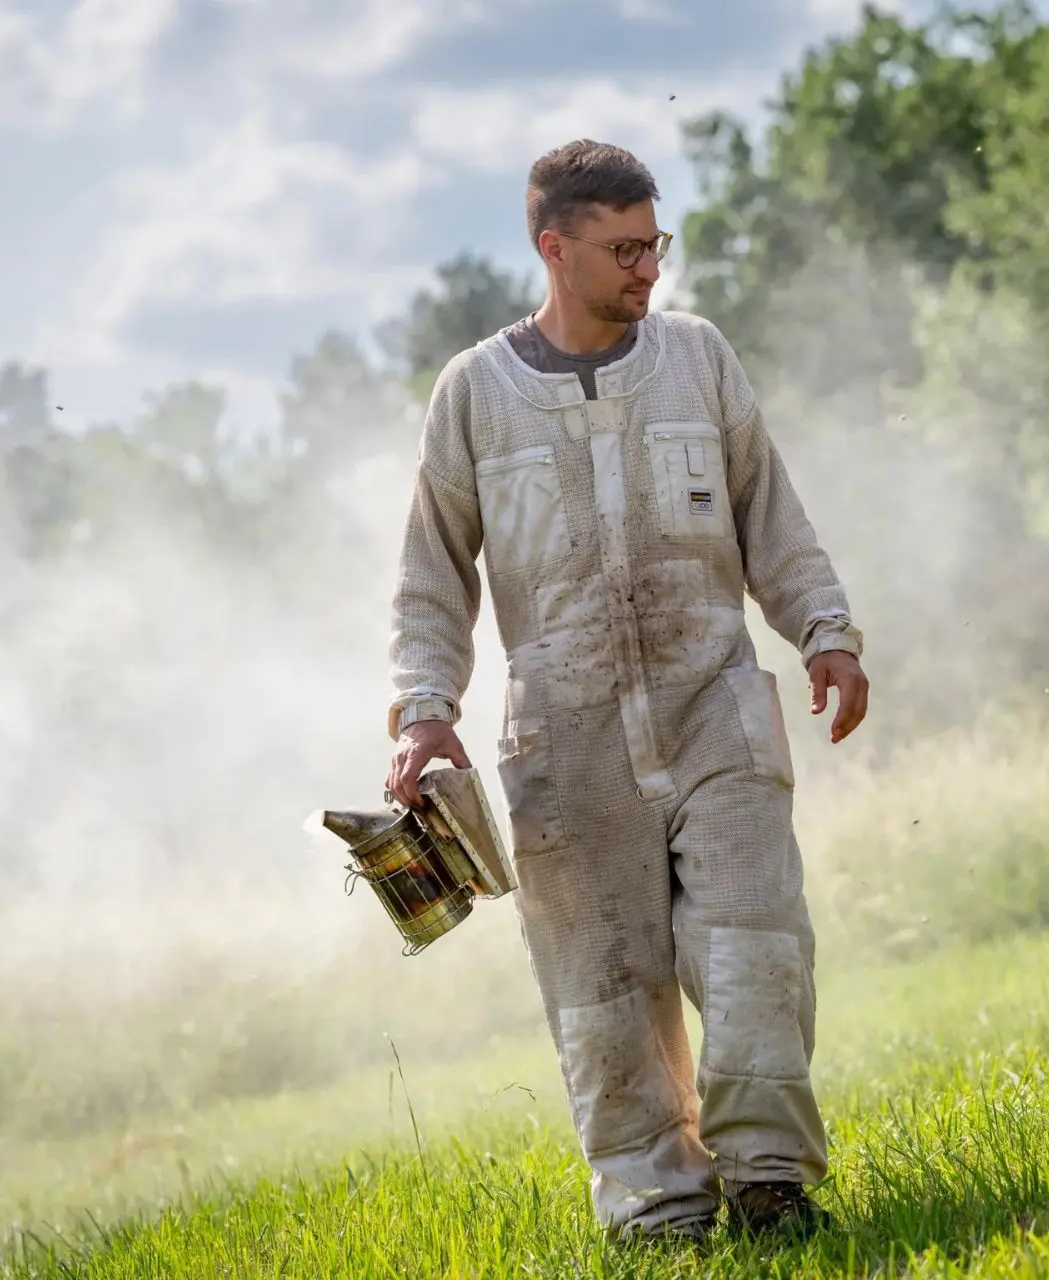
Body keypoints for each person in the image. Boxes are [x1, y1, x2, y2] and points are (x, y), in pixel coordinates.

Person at [382, 138, 870, 1243]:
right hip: (565, 738)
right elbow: (429, 575)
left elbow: (771, 517)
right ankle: (658, 1211)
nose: (650, 268)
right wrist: (423, 711)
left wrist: (825, 633)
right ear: (553, 248)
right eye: (623, 249)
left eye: (656, 243)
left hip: (716, 705)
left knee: (755, 945)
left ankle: (770, 1184)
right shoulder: (472, 395)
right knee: (606, 988)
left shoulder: (697, 358)